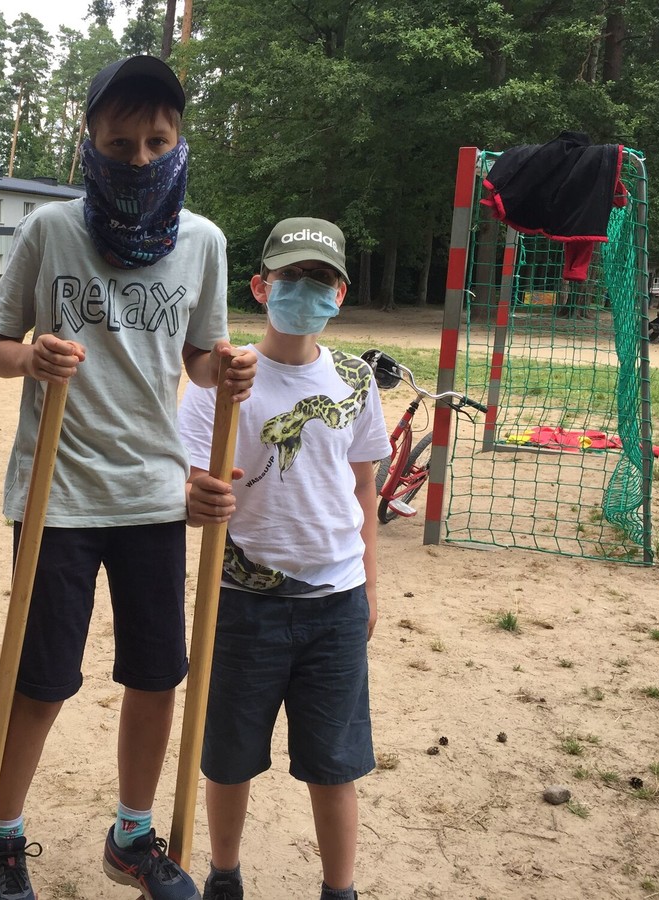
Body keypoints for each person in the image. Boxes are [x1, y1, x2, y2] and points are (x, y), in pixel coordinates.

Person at [0, 55, 257, 900]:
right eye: (120, 141)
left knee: (157, 674)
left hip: (152, 496)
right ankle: (1, 840)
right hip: (57, 493)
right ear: (91, 140)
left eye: (157, 142)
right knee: (41, 680)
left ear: (178, 142)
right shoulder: (49, 231)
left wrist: (225, 368)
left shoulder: (203, 242)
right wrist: (30, 357)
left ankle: (133, 836)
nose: (139, 158)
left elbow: (199, 358)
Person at [177, 217, 390, 900]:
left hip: (336, 602)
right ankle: (225, 874)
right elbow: (188, 482)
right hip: (242, 602)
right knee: (229, 757)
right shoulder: (223, 378)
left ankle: (339, 889)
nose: (305, 290)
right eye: (291, 276)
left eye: (320, 279)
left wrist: (370, 588)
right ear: (260, 286)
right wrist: (196, 497)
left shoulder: (356, 379)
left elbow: (363, 488)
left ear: (340, 294)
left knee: (335, 764)